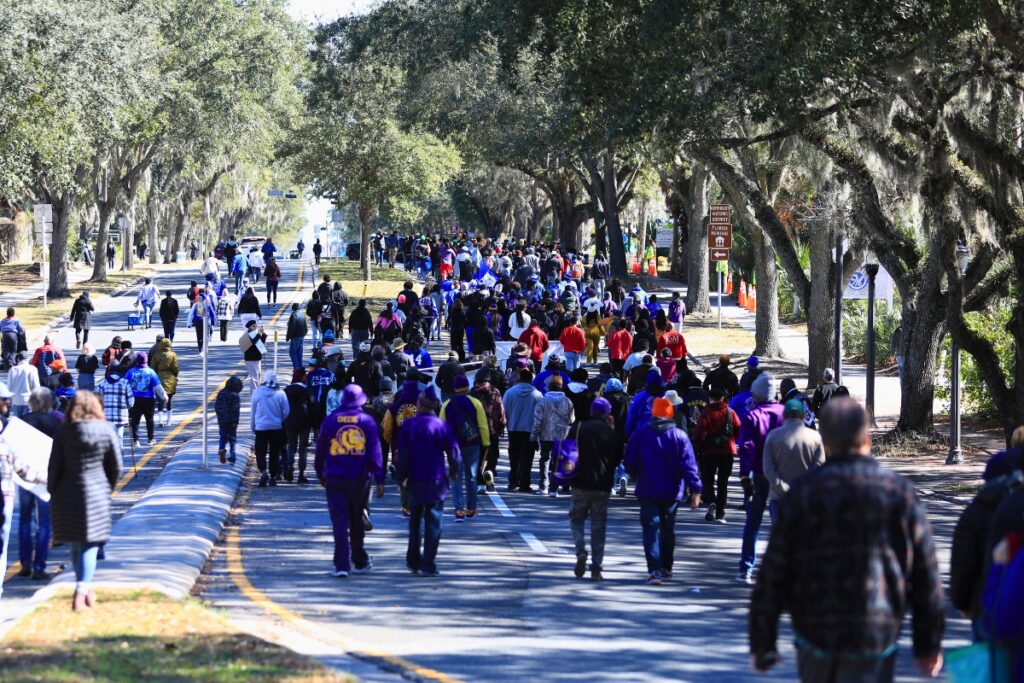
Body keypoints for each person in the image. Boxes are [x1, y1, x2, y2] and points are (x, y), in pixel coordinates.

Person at [749, 398, 945, 681]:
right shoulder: (898, 493)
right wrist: (928, 644)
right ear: (866, 437)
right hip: (874, 633)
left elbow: (774, 571)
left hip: (816, 633)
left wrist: (762, 642)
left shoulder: (803, 495)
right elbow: (926, 576)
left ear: (824, 439)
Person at [48, 391, 122, 611]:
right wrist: (108, 487)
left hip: (67, 492)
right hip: (97, 490)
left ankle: (85, 587)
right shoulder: (106, 431)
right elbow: (116, 466)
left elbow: (54, 467)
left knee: (76, 541)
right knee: (91, 542)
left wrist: (53, 491)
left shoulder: (64, 432)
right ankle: (81, 591)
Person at [624, 397, 702, 585]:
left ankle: (654, 570)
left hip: (647, 489)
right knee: (668, 529)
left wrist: (636, 475)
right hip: (672, 490)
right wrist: (696, 490)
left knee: (650, 530)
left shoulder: (641, 434)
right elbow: (689, 465)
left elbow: (630, 461)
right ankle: (666, 567)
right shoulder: (680, 436)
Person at [314, 384, 385, 577]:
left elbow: (320, 449)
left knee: (339, 521)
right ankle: (359, 561)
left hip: (335, 477)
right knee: (356, 520)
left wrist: (320, 472)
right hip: (359, 479)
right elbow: (375, 452)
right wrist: (379, 478)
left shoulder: (330, 421)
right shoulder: (367, 421)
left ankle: (341, 565)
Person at [394, 388, 461, 577]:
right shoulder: (441, 426)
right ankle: (428, 563)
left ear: (420, 404)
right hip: (437, 480)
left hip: (415, 479)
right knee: (434, 522)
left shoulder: (409, 425)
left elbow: (403, 455)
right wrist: (454, 472)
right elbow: (454, 453)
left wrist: (400, 477)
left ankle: (413, 560)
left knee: (415, 521)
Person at [736, 373, 785, 584]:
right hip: (780, 475)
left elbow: (747, 448)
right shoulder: (784, 414)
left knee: (753, 522)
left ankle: (746, 567)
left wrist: (744, 477)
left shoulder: (753, 416)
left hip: (757, 473)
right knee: (780, 523)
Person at [571, 397, 624, 581]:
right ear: (608, 414)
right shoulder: (612, 435)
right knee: (598, 526)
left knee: (577, 519)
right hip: (602, 485)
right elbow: (618, 458)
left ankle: (580, 551)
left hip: (579, 483)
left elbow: (567, 450)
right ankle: (596, 567)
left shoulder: (579, 428)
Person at [13, 388, 62, 581]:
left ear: (31, 402)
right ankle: (39, 565)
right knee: (44, 523)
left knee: (25, 520)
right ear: (50, 402)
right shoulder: (57, 422)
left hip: (25, 476)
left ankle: (25, 562)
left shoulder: (21, 421)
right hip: (47, 476)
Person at [762, 399, 825, 519]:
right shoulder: (815, 438)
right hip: (806, 496)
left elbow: (768, 469)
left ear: (784, 415)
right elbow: (819, 468)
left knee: (781, 535)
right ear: (802, 416)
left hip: (778, 497)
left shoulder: (773, 436)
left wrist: (782, 487)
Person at [440, 376, 491, 521]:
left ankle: (459, 510)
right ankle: (471, 509)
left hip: (453, 446)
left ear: (454, 388)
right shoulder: (475, 403)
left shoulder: (447, 404)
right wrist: (486, 443)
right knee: (472, 477)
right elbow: (482, 424)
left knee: (456, 477)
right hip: (472, 444)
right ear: (467, 387)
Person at [693, 388, 741, 523]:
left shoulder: (706, 413)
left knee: (708, 480)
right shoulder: (730, 412)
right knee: (723, 482)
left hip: (709, 452)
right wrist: (730, 439)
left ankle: (711, 501)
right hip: (727, 451)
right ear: (723, 398)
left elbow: (699, 432)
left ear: (710, 398)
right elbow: (738, 428)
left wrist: (700, 443)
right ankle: (720, 512)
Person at [531, 374, 575, 497]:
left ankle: (543, 485)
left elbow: (537, 420)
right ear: (561, 387)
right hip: (562, 435)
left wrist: (534, 436)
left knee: (544, 459)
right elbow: (572, 419)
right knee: (557, 461)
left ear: (549, 386)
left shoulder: (543, 400)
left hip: (546, 434)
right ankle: (553, 489)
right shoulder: (567, 401)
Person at [470, 372, 506, 493]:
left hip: (477, 431)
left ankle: (480, 484)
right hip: (493, 430)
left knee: (478, 458)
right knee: (493, 455)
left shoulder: (473, 393)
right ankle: (490, 471)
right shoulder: (495, 392)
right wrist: (502, 426)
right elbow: (501, 410)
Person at [252, 371, 289, 486]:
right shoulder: (280, 393)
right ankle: (273, 476)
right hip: (276, 426)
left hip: (261, 427)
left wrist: (253, 425)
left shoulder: (257, 392)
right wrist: (280, 420)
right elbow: (286, 411)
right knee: (274, 452)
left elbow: (253, 411)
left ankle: (263, 472)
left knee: (260, 451)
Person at [125, 353, 162, 448]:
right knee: (149, 420)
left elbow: (124, 383)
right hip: (148, 399)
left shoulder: (131, 372)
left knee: (135, 420)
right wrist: (164, 397)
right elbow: (157, 386)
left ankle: (136, 440)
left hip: (135, 399)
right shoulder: (150, 372)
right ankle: (150, 439)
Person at [96, 365, 133, 449]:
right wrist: (126, 408)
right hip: (120, 416)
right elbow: (131, 402)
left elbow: (96, 402)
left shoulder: (102, 384)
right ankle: (119, 458)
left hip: (105, 417)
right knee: (119, 438)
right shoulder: (125, 383)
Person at [215, 375, 244, 464]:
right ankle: (232, 455)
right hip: (232, 421)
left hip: (222, 420)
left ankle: (222, 448)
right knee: (232, 438)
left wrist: (219, 417)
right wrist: (235, 421)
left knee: (223, 436)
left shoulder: (221, 393)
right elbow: (235, 410)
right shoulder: (235, 396)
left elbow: (217, 407)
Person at [151, 338, 179, 428]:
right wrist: (174, 375)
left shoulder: (156, 355)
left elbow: (152, 368)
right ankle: (169, 420)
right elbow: (176, 368)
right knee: (169, 400)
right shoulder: (173, 355)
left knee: (160, 400)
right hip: (170, 378)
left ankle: (160, 420)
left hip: (159, 378)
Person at [9, 353, 41, 418]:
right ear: (28, 359)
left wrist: (10, 400)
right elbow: (36, 386)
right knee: (28, 422)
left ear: (18, 359)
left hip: (16, 400)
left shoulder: (13, 369)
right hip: (29, 400)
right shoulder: (33, 369)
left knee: (17, 421)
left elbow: (10, 387)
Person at [240, 320, 267, 392]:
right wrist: (259, 334)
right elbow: (254, 341)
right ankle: (254, 393)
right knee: (254, 377)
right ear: (249, 327)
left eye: (256, 326)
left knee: (258, 376)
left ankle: (257, 391)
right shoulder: (248, 335)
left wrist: (263, 334)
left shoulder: (255, 334)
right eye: (253, 326)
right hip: (251, 359)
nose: (255, 327)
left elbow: (261, 343)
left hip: (257, 358)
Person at [285, 302, 308, 371]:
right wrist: (304, 333)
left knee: (292, 352)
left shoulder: (294, 315)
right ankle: (300, 367)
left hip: (295, 336)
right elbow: (305, 326)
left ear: (293, 308)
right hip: (301, 336)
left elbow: (291, 328)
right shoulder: (302, 314)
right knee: (299, 353)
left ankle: (296, 367)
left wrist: (288, 337)